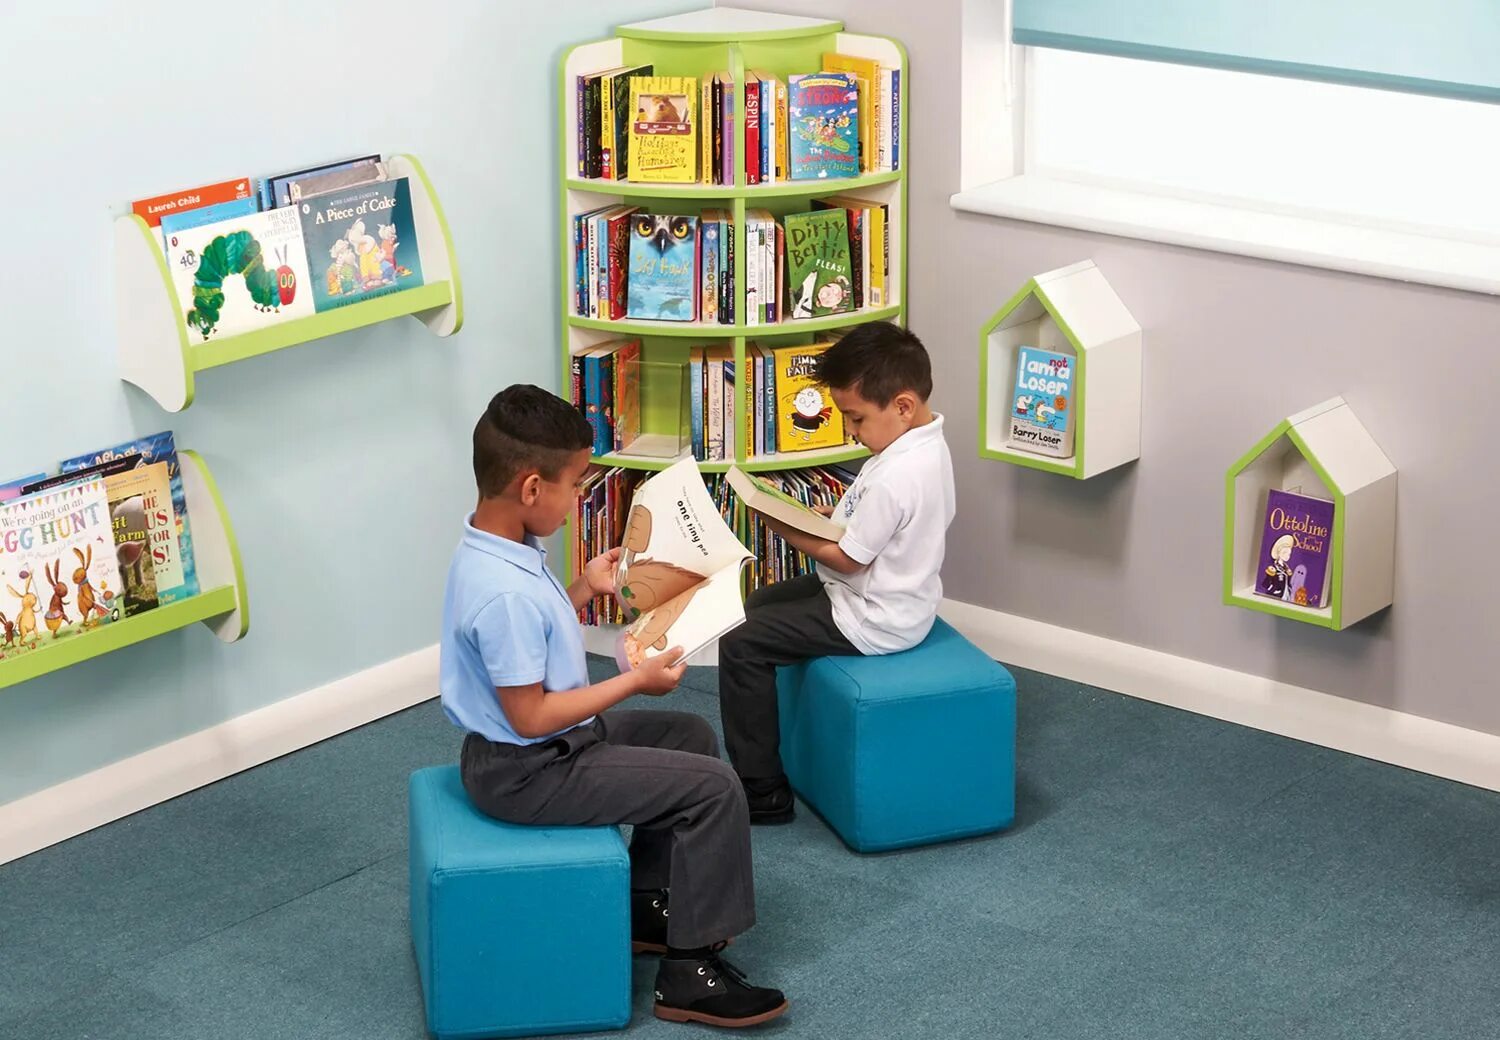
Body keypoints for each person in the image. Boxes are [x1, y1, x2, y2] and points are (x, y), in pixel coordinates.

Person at [441, 384, 787, 1028]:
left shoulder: (500, 547)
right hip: (530, 769)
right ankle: (689, 972)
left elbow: (526, 648)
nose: (578, 504)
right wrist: (634, 681)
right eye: (575, 487)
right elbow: (531, 716)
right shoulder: (504, 593)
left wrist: (580, 589)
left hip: (540, 749)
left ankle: (647, 902)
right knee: (713, 790)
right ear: (532, 487)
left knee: (687, 736)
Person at [719, 322, 955, 823]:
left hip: (873, 616)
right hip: (882, 594)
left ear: (903, 406)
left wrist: (780, 523)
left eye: (856, 418)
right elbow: (868, 525)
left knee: (740, 641)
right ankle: (784, 742)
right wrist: (825, 515)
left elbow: (849, 558)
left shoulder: (898, 473)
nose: (850, 429)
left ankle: (764, 793)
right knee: (756, 607)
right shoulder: (916, 446)